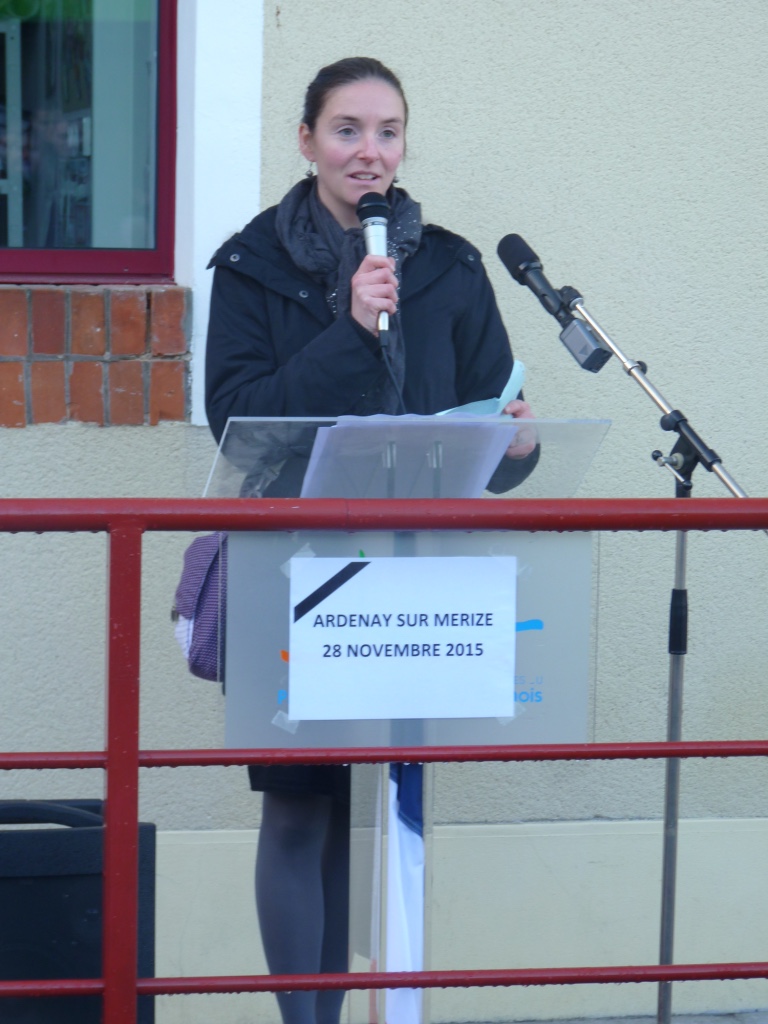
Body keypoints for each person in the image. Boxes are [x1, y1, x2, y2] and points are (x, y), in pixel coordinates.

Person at [205, 56, 537, 1024]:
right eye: (347, 129)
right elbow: (237, 421)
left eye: (387, 131)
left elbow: (494, 425)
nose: (369, 150)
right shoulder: (251, 263)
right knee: (302, 803)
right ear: (305, 140)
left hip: (417, 566)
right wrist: (349, 328)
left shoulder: (452, 265)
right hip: (294, 561)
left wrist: (513, 441)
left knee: (385, 805)